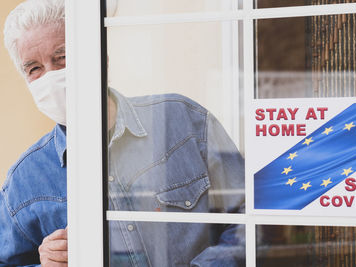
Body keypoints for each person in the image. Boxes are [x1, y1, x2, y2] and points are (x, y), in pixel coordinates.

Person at [0, 0, 245, 266]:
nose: (51, 75)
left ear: (101, 58)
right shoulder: (23, 181)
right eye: (34, 68)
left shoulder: (184, 121)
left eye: (62, 57)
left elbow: (252, 220)